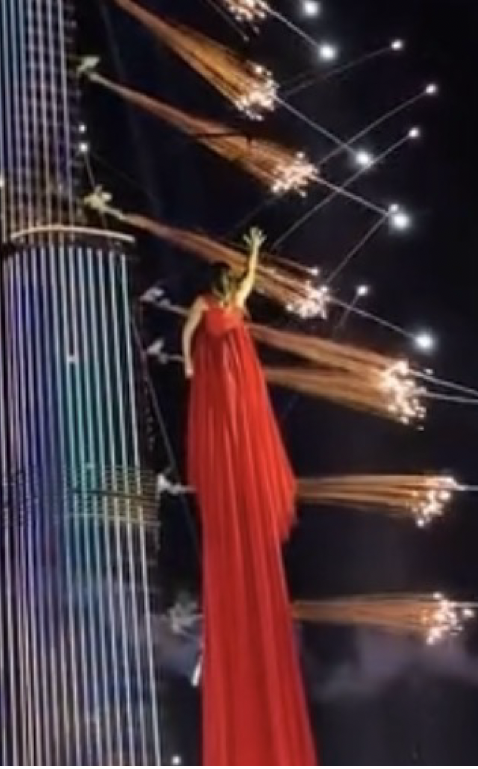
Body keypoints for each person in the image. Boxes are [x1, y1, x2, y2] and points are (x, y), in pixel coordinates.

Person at [182, 227, 317, 765]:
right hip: (217, 384)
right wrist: (191, 364)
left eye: (230, 278)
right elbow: (190, 332)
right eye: (227, 278)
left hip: (238, 381)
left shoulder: (236, 300)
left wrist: (255, 251)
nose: (230, 284)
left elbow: (252, 280)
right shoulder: (204, 304)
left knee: (241, 423)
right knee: (225, 434)